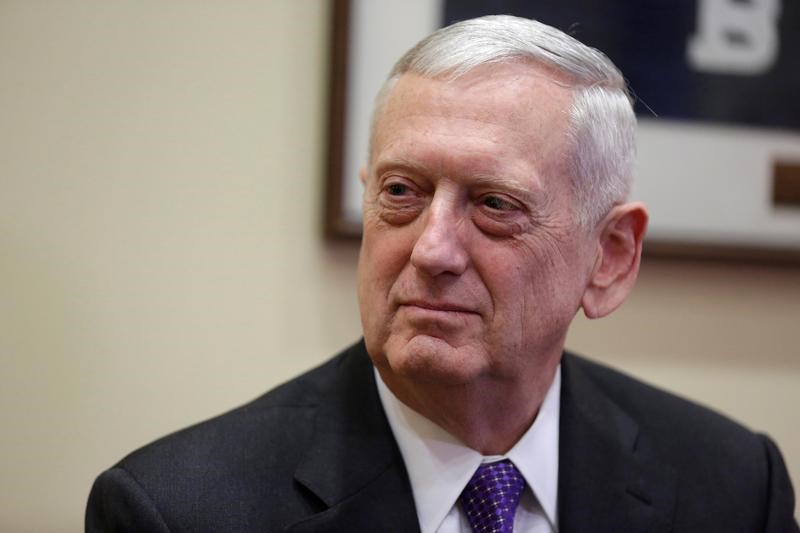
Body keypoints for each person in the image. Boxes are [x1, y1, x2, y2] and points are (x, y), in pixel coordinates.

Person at [86, 15, 798, 532]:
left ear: (609, 256)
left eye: (494, 204)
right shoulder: (179, 510)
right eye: (401, 193)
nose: (432, 250)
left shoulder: (733, 486)